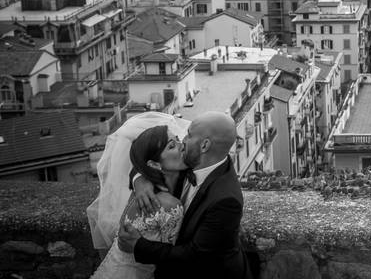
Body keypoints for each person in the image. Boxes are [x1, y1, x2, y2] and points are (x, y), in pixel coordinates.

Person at [118, 111, 252, 279]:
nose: (183, 140)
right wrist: (140, 179)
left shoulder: (226, 200)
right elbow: (147, 158)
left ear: (204, 146)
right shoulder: (190, 161)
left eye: (188, 135)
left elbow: (196, 256)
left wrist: (139, 246)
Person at [88, 114, 191, 279]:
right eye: (172, 145)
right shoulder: (168, 205)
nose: (183, 145)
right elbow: (169, 260)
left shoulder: (141, 192)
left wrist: (139, 178)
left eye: (178, 139)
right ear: (154, 164)